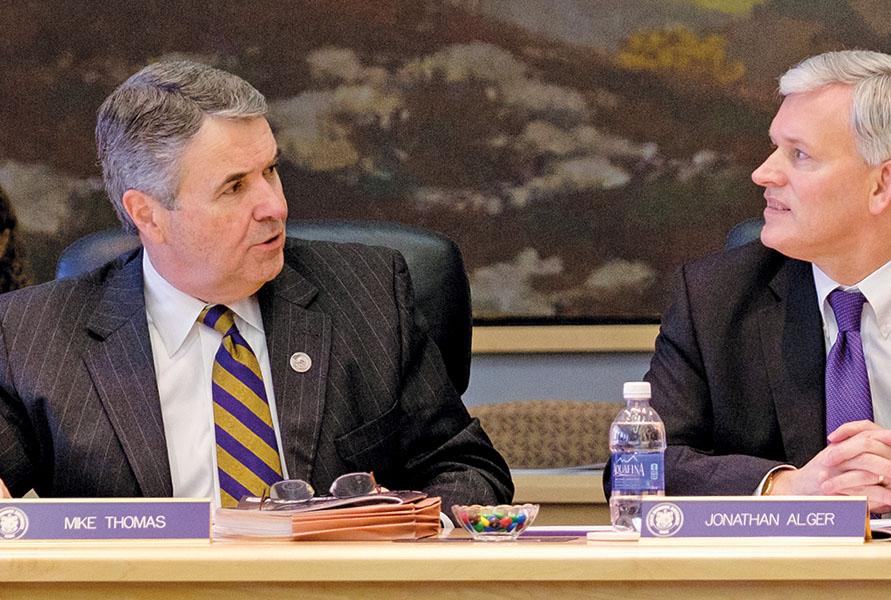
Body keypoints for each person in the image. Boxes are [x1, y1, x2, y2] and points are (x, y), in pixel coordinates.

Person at [0, 61, 513, 510]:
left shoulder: (370, 295)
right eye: (235, 186)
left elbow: (468, 470)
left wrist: (395, 527)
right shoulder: (32, 335)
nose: (275, 206)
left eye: (271, 171)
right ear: (148, 215)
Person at [642, 50, 891, 518]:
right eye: (774, 148)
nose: (763, 173)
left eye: (799, 154)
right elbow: (641, 466)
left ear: (882, 185)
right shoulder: (715, 298)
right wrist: (787, 489)